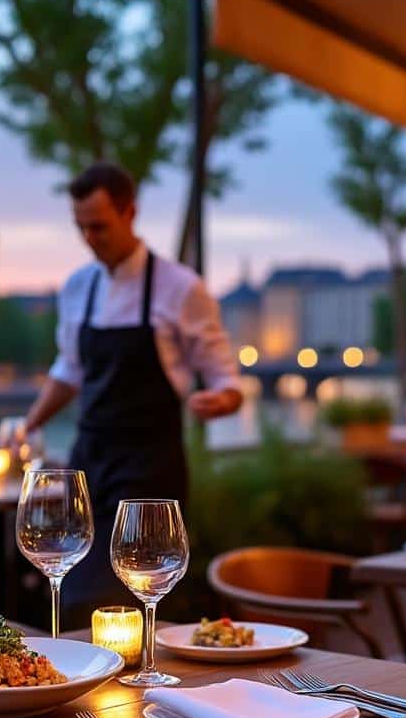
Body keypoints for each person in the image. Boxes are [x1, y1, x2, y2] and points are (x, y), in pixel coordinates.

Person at [23, 162, 243, 624]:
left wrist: (218, 401)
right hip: (88, 464)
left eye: (99, 226)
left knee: (107, 596)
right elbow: (70, 369)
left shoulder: (180, 288)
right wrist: (30, 424)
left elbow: (226, 380)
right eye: (80, 227)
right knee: (52, 588)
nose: (90, 238)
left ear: (130, 213)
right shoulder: (77, 288)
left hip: (149, 473)